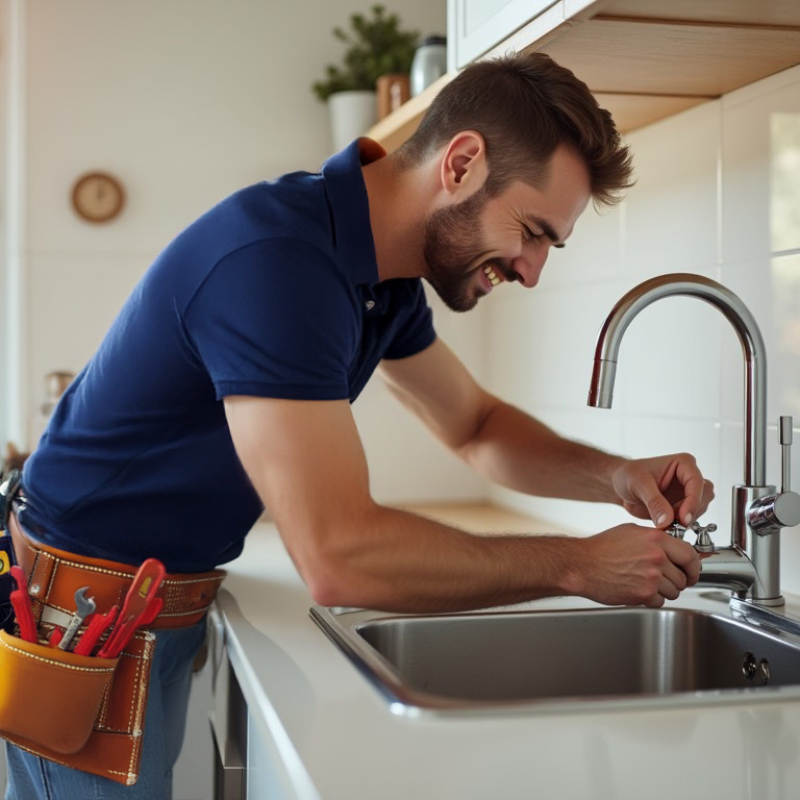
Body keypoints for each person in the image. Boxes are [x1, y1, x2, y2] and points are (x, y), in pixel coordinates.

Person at [5, 52, 713, 799]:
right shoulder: (279, 262)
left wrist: (615, 477)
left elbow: (475, 424)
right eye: (533, 232)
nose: (533, 271)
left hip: (150, 605)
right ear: (463, 163)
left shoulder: (382, 274)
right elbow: (339, 555)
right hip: (81, 620)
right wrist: (576, 565)